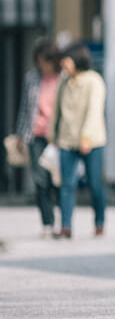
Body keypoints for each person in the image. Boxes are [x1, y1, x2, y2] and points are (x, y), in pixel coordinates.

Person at [47, 42, 106, 239]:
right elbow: (56, 110)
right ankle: (65, 226)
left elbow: (94, 111)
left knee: (94, 184)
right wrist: (52, 134)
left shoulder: (94, 81)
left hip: (92, 141)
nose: (63, 63)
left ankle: (99, 222)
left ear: (77, 60)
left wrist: (86, 137)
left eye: (66, 59)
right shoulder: (63, 82)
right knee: (66, 184)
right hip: (66, 139)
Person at [14, 40, 61, 237]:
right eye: (40, 61)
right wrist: (20, 134)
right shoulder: (32, 78)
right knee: (40, 180)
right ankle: (47, 223)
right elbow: (25, 108)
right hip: (36, 135)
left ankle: (64, 221)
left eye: (46, 61)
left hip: (58, 137)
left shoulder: (63, 78)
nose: (43, 66)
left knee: (56, 180)